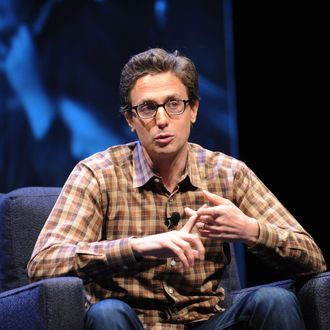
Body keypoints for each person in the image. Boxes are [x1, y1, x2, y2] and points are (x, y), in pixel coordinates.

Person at [27, 48, 326, 330]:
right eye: (147, 108)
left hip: (208, 320)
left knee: (275, 301)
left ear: (193, 109)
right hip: (131, 321)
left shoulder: (228, 173)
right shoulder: (97, 174)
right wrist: (138, 247)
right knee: (107, 313)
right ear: (131, 119)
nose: (161, 120)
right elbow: (44, 263)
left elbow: (312, 257)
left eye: (173, 104)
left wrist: (250, 231)